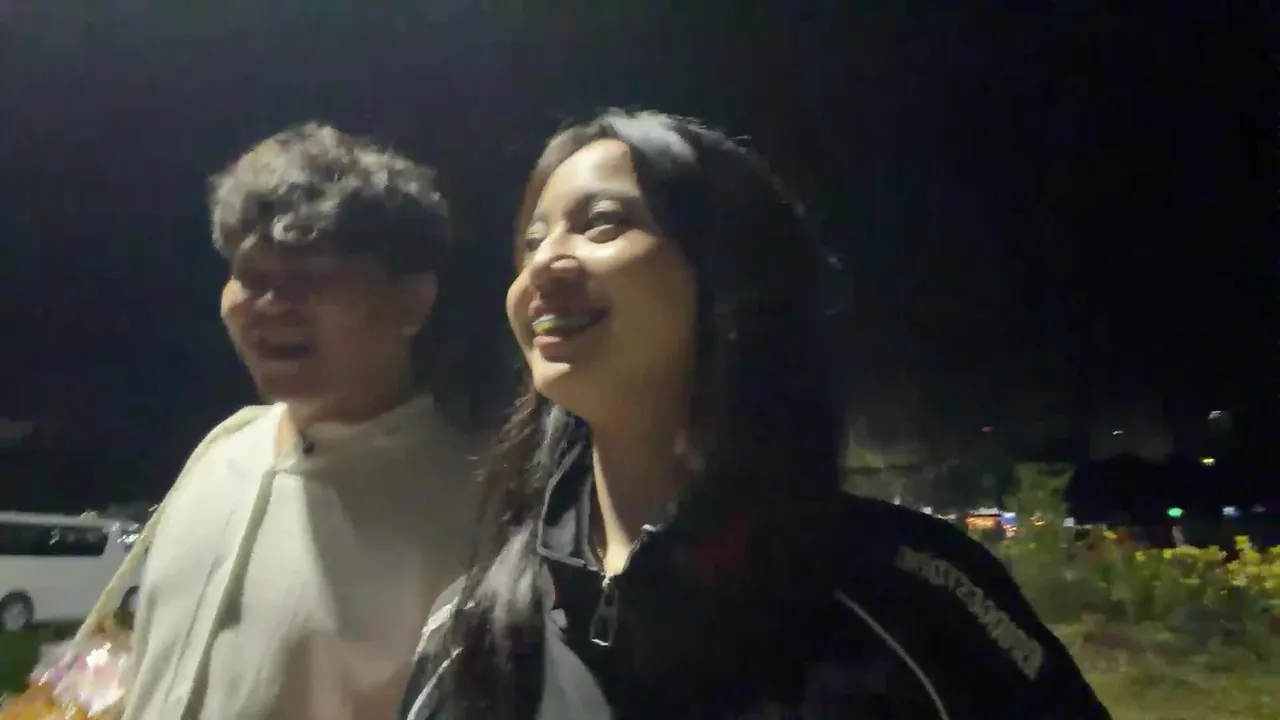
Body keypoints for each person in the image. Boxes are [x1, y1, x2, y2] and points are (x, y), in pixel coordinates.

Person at [399, 110, 1112, 720]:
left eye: (604, 223)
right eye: (532, 242)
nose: (543, 265)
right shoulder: (479, 628)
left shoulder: (909, 602)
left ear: (730, 273)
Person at [123, 122, 483, 720]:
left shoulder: (472, 508)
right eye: (251, 277)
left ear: (411, 303)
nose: (269, 305)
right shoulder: (222, 450)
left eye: (311, 278)